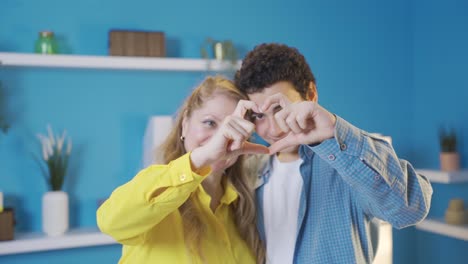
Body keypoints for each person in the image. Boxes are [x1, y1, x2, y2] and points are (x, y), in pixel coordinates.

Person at [234, 43, 433, 264]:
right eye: (259, 116)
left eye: (280, 108)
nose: (273, 129)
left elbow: (410, 210)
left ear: (311, 94)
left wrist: (334, 132)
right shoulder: (249, 173)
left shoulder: (348, 165)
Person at [97, 76, 267, 263]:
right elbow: (110, 222)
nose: (222, 136)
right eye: (210, 123)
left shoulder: (242, 207)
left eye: (233, 126)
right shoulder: (157, 188)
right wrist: (202, 156)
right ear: (185, 125)